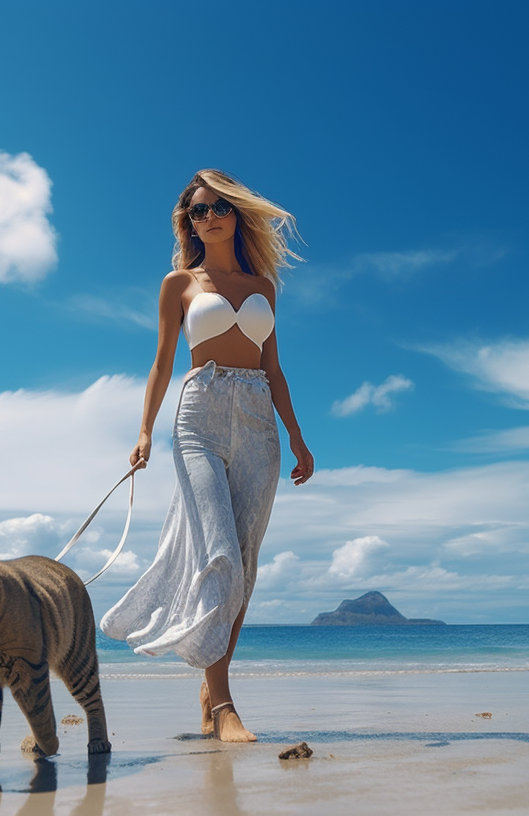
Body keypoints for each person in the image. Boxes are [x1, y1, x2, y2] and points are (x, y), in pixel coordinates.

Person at [100, 169, 314, 743]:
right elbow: (162, 361)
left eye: (220, 206)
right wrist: (144, 430)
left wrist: (296, 435)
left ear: (237, 213)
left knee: (240, 566)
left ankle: (210, 689)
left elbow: (273, 369)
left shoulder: (264, 288)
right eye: (199, 210)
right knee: (217, 551)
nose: (210, 215)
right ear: (188, 221)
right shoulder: (179, 284)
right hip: (199, 416)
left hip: (258, 420)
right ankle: (223, 707)